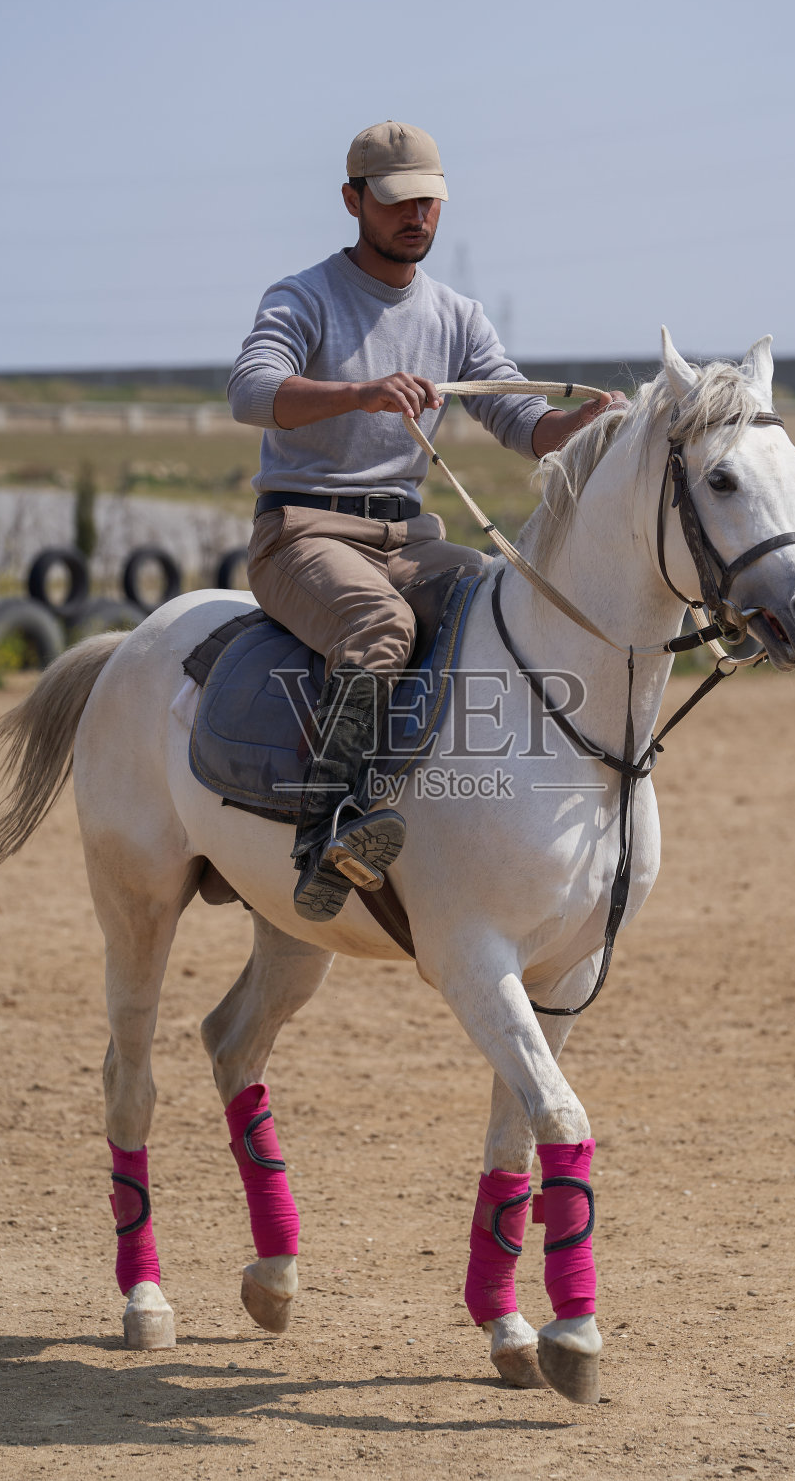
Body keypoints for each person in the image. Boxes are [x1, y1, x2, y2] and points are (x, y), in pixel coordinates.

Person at [228, 121, 614, 922]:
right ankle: (326, 830)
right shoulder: (302, 297)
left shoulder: (457, 317)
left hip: (410, 537)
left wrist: (581, 428)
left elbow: (520, 421)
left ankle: (467, 812)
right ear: (352, 201)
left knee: (502, 604)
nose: (418, 218)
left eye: (430, 202)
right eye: (399, 202)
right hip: (300, 534)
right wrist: (358, 393)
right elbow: (250, 391)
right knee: (378, 627)